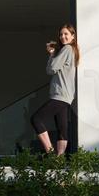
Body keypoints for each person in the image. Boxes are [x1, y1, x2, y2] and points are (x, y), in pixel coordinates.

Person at [31, 24, 79, 156]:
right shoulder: (72, 50)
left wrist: (52, 54)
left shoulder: (67, 48)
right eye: (61, 34)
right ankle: (59, 159)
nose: (62, 37)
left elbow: (50, 69)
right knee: (62, 129)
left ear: (73, 36)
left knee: (36, 119)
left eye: (66, 34)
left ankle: (51, 153)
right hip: (67, 96)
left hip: (60, 95)